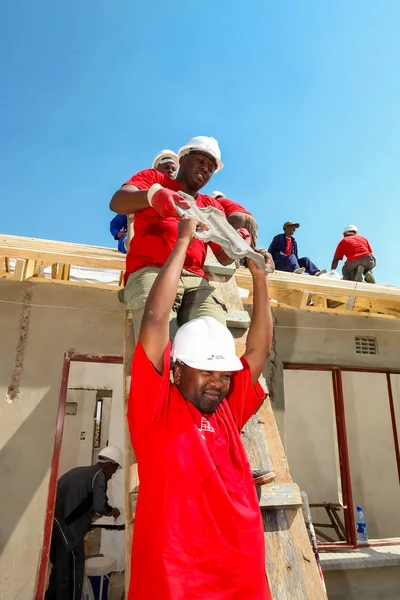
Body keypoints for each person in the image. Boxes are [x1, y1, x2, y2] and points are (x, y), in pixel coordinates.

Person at [127, 214, 273, 600]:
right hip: (176, 576)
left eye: (223, 374)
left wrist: (259, 277)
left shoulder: (226, 406)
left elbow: (258, 351)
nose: (218, 382)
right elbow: (157, 318)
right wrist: (182, 241)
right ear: (176, 369)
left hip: (242, 570)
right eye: (207, 371)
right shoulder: (155, 410)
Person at [109, 136, 240, 338]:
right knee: (160, 342)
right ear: (182, 160)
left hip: (196, 280)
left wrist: (240, 244)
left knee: (213, 341)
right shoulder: (156, 179)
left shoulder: (211, 206)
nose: (206, 169)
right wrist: (153, 196)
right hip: (152, 271)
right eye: (201, 161)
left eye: (211, 168)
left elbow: (223, 257)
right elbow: (117, 202)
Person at [45, 447, 122, 600]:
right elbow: (100, 506)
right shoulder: (99, 475)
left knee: (60, 570)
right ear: (108, 465)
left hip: (53, 525)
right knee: (74, 570)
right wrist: (111, 511)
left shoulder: (80, 471)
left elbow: (88, 500)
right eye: (113, 471)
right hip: (68, 532)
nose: (112, 476)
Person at [109, 150, 179, 253]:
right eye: (166, 167)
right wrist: (117, 233)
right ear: (156, 169)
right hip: (138, 242)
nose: (170, 171)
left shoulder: (177, 196)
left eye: (173, 169)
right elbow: (116, 220)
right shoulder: (141, 196)